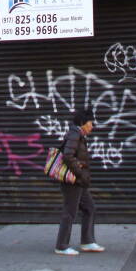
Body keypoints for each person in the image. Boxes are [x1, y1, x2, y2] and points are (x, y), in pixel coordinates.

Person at [54, 108, 104, 256]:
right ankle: (61, 246)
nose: (92, 126)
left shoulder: (79, 135)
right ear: (82, 123)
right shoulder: (74, 135)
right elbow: (68, 156)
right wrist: (80, 172)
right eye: (90, 123)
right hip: (73, 181)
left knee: (89, 208)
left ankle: (87, 241)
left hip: (78, 181)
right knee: (70, 212)